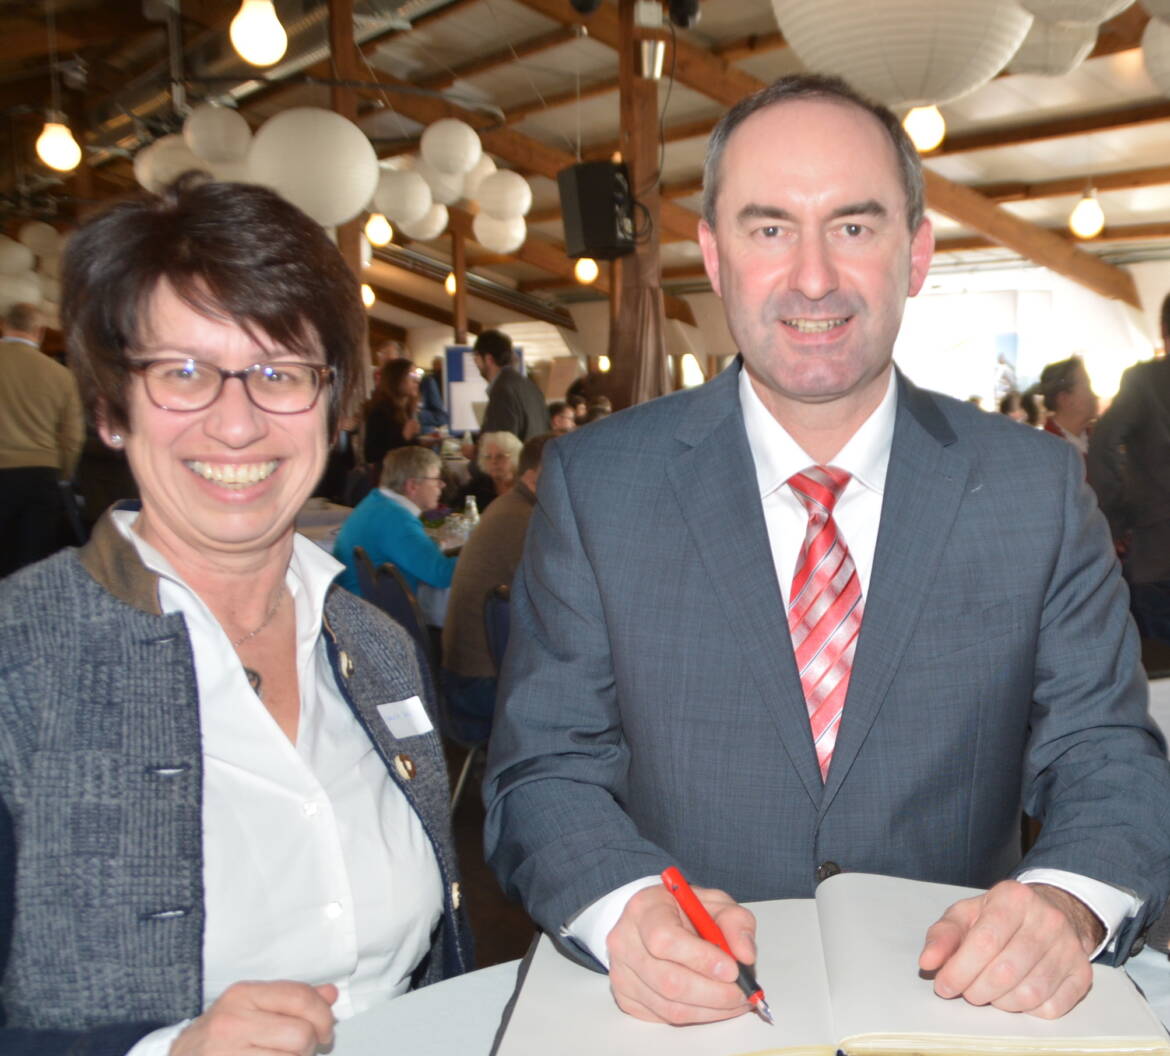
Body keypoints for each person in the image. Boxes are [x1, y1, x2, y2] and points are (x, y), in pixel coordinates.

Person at [483, 73, 1170, 1029]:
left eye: (854, 226)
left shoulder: (1036, 490)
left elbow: (1105, 751)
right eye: (769, 229)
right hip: (685, 1025)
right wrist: (625, 908)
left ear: (917, 253)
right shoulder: (599, 487)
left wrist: (1065, 901)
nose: (813, 277)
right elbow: (544, 768)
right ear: (715, 258)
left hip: (958, 1018)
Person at [0, 175, 470, 1054]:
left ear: (333, 408)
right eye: (183, 372)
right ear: (111, 409)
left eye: (279, 373)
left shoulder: (376, 646)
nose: (237, 422)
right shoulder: (19, 663)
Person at [441, 433, 551, 742]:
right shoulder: (530, 520)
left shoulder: (505, 505)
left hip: (462, 677)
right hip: (482, 689)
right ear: (534, 476)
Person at [1087, 296, 1170, 644]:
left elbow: (1104, 441)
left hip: (1158, 548)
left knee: (1160, 674)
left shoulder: (1146, 381)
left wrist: (1116, 518)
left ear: (1164, 330)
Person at [0, 301, 85, 576]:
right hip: (40, 478)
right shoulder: (61, 376)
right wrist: (62, 475)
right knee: (29, 570)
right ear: (39, 332)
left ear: (3, 325)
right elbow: (73, 437)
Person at [334, 445, 456, 598]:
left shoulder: (376, 502)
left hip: (354, 607)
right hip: (371, 615)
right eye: (436, 479)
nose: (442, 485)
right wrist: (478, 556)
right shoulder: (396, 519)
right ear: (412, 486)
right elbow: (442, 575)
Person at [474, 329, 549, 441]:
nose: (475, 362)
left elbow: (501, 443)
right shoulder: (529, 385)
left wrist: (475, 452)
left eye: (477, 357)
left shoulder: (502, 390)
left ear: (488, 359)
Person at [362, 356, 422, 471]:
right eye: (411, 376)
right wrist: (404, 436)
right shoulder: (380, 410)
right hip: (390, 477)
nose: (417, 381)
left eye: (417, 375)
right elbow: (371, 455)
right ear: (397, 379)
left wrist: (422, 442)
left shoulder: (408, 409)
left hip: (408, 471)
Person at [1037, 356, 1097, 455]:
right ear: (1064, 398)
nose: (1094, 395)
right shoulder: (1046, 449)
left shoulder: (1098, 438)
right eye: (1087, 386)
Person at [457, 430, 521, 513]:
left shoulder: (526, 486)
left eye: (500, 456)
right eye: (488, 457)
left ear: (515, 457)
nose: (493, 461)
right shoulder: (476, 487)